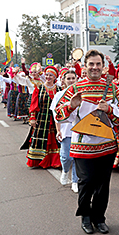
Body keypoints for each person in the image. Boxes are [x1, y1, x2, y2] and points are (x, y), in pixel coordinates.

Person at [57, 48, 119, 235]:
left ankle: (99, 218)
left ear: (103, 67)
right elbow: (58, 113)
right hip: (82, 145)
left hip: (107, 145)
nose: (94, 68)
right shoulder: (74, 88)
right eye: (91, 64)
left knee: (103, 185)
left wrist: (110, 110)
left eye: (98, 64)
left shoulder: (112, 88)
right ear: (84, 66)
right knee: (86, 182)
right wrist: (71, 106)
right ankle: (85, 217)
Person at [51, 63, 80, 192]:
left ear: (77, 79)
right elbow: (56, 114)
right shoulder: (59, 95)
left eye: (73, 78)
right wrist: (58, 130)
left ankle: (75, 180)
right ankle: (65, 170)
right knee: (66, 157)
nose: (71, 81)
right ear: (63, 80)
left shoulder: (81, 94)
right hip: (65, 130)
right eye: (68, 78)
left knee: (77, 157)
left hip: (78, 130)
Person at [25, 65, 60, 169]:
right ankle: (38, 160)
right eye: (47, 75)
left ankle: (55, 161)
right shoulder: (39, 88)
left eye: (51, 75)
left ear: (55, 77)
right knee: (40, 139)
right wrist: (32, 118)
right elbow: (34, 104)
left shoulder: (59, 89)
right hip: (42, 118)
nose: (48, 77)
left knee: (55, 139)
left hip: (54, 119)